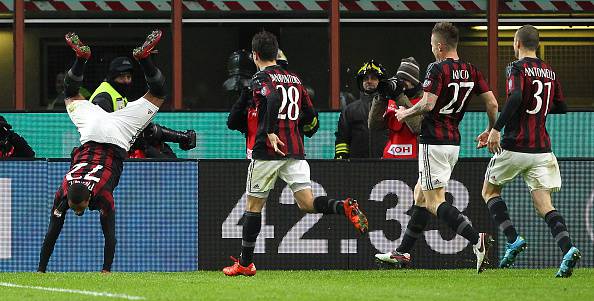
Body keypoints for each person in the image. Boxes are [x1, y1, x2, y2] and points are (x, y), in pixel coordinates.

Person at [222, 31, 368, 277]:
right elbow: (310, 118)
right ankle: (342, 206)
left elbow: (272, 97)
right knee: (308, 203)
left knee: (253, 206)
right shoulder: (294, 79)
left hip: (268, 151)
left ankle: (245, 264)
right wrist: (302, 129)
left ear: (255, 55)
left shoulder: (260, 78)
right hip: (295, 150)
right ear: (276, 53)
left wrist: (269, 131)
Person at [37, 29, 167, 273]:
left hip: (115, 134)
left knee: (157, 95)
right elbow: (103, 236)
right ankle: (134, 58)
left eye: (78, 208)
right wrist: (41, 271)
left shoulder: (97, 194)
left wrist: (106, 270)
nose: (78, 212)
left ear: (87, 198)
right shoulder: (65, 189)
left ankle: (83, 58)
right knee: (71, 94)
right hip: (94, 127)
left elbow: (106, 235)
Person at [374, 22, 499, 273]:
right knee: (421, 194)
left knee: (433, 202)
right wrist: (491, 129)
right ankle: (403, 253)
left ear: (440, 46)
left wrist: (404, 112)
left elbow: (428, 105)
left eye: (432, 46)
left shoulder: (436, 68)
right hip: (453, 143)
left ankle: (477, 240)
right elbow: (493, 104)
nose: (432, 50)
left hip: (433, 142)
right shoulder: (472, 70)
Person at [479, 25, 580, 277]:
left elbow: (515, 98)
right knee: (544, 204)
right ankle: (567, 249)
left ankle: (513, 239)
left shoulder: (516, 68)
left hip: (515, 145)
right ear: (537, 44)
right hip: (542, 149)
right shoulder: (549, 71)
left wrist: (496, 129)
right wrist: (540, 111)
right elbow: (562, 106)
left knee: (489, 191)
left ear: (517, 43)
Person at [89, 56, 196, 158]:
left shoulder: (119, 96)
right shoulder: (103, 98)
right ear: (112, 77)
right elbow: (104, 132)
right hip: (106, 155)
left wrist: (181, 137)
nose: (126, 81)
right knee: (157, 155)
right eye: (121, 77)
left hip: (124, 147)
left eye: (128, 77)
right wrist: (143, 144)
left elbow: (141, 127)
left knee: (161, 146)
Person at [227, 49, 318, 159]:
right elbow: (232, 122)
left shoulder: (294, 98)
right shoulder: (253, 99)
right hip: (271, 158)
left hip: (273, 158)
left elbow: (311, 128)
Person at [368, 57, 423, 159]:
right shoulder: (392, 98)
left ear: (414, 82)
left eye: (405, 80)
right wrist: (382, 96)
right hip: (390, 159)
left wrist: (400, 97)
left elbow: (419, 127)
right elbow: (374, 125)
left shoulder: (424, 100)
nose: (401, 83)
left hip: (415, 159)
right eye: (399, 79)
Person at [334, 60, 387, 159]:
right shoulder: (349, 110)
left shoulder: (390, 107)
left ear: (381, 81)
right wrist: (341, 158)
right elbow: (342, 139)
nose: (369, 81)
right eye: (365, 78)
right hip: (357, 167)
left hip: (386, 164)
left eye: (374, 78)